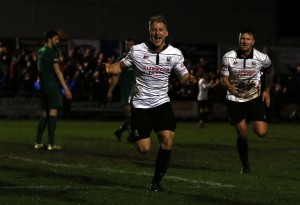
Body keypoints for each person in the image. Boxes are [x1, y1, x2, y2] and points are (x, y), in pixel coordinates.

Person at [105, 15, 196, 191]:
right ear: (149, 32)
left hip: (162, 103)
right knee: (144, 149)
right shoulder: (137, 51)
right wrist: (110, 69)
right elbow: (120, 67)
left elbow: (183, 76)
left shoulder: (175, 54)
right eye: (154, 29)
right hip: (140, 106)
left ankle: (156, 183)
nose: (157, 33)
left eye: (160, 29)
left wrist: (189, 78)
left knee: (167, 140)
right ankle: (135, 135)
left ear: (166, 33)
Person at [220, 28, 273, 174]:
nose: (244, 41)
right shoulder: (228, 57)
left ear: (253, 42)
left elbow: (271, 69)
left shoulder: (261, 57)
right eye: (242, 38)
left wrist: (267, 90)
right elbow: (223, 79)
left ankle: (253, 119)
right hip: (234, 100)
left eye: (248, 39)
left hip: (254, 98)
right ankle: (245, 164)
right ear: (239, 40)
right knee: (242, 134)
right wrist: (227, 85)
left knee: (262, 132)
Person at [34, 30, 72, 151]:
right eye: (56, 39)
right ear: (49, 39)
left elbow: (39, 72)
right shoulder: (51, 52)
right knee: (53, 113)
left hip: (42, 86)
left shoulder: (40, 52)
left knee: (44, 114)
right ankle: (51, 143)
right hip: (52, 86)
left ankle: (38, 142)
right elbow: (57, 72)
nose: (58, 41)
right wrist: (66, 89)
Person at [107, 38, 136, 142]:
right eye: (127, 44)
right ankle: (131, 135)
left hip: (138, 91)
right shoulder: (122, 59)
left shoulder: (140, 58)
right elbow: (116, 76)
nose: (129, 46)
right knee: (128, 111)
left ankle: (119, 131)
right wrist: (110, 90)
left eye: (131, 44)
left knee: (134, 115)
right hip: (126, 90)